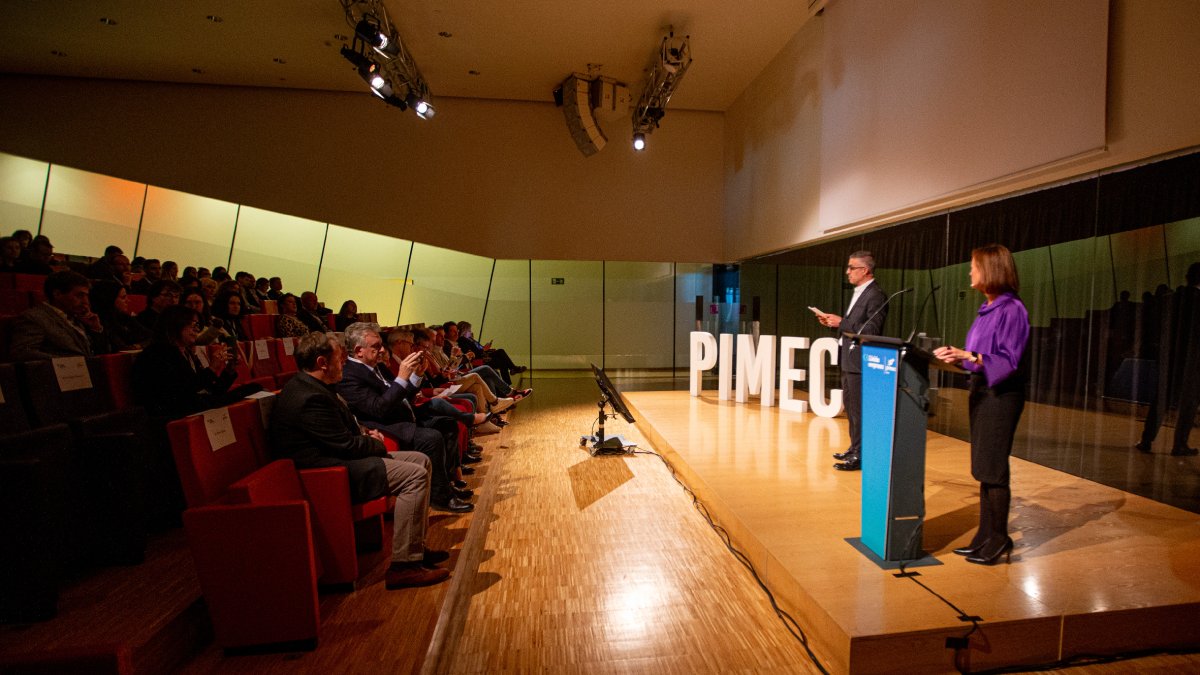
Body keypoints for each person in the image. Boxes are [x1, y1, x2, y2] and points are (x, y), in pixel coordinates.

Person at [270, 331, 451, 589]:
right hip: (328, 471)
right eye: (339, 357)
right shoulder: (308, 397)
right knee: (415, 475)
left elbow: (344, 434)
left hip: (341, 459)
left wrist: (366, 434)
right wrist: (373, 441)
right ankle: (404, 566)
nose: (343, 362)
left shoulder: (317, 387)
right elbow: (343, 445)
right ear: (322, 363)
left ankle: (416, 549)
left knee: (420, 460)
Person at [934, 243, 1030, 566]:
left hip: (1001, 397)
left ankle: (1000, 538)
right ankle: (984, 534)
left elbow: (1009, 360)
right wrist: (957, 357)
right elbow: (978, 359)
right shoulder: (987, 309)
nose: (969, 271)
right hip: (983, 392)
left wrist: (970, 356)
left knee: (994, 469)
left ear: (990, 269)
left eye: (973, 266)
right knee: (983, 468)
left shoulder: (1012, 309)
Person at [336, 322, 473, 513]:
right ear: (359, 350)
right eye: (376, 346)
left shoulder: (377, 367)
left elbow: (402, 395)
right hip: (387, 425)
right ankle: (440, 497)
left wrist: (416, 376)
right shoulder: (350, 376)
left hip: (404, 416)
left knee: (447, 424)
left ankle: (446, 484)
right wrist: (401, 377)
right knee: (431, 438)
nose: (382, 349)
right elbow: (379, 409)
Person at [816, 250, 888, 471]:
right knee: (851, 406)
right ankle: (854, 448)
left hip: (860, 360)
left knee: (859, 409)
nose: (847, 272)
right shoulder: (859, 292)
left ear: (865, 270)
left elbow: (871, 330)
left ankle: (861, 455)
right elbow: (852, 325)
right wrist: (834, 322)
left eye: (851, 267)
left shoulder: (876, 295)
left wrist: (842, 323)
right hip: (849, 359)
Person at [130, 305, 261, 420]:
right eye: (193, 325)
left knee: (254, 388)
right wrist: (212, 368)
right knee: (251, 391)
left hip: (194, 404)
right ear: (176, 324)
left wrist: (229, 369)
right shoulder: (157, 353)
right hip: (172, 413)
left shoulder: (186, 352)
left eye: (198, 326)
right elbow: (186, 390)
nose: (197, 330)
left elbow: (212, 390)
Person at [1136, 262, 1200, 457]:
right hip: (1193, 361)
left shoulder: (1174, 298)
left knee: (1161, 400)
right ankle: (1179, 444)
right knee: (1189, 403)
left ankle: (1147, 440)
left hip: (1171, 358)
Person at [9, 270, 109, 360]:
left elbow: (98, 353)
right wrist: (68, 364)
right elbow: (22, 352)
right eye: (79, 295)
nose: (86, 302)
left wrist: (95, 329)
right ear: (57, 294)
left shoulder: (77, 317)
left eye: (86, 296)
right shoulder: (34, 318)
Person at [90, 279, 151, 351]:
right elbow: (120, 347)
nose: (128, 300)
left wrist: (139, 345)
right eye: (123, 297)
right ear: (110, 299)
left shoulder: (124, 317)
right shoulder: (98, 321)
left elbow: (152, 336)